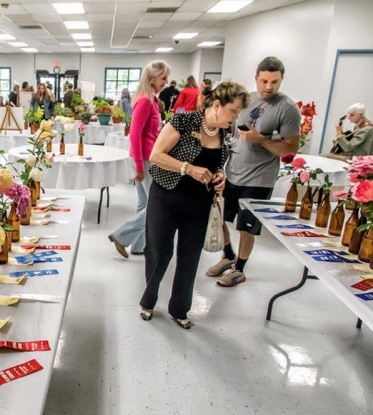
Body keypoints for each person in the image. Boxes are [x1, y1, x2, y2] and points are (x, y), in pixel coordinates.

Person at [140, 81, 251, 328]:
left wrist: (221, 178)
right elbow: (155, 156)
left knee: (189, 258)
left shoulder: (225, 133)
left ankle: (179, 309)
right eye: (232, 111)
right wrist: (188, 169)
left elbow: (218, 164)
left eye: (237, 113)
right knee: (160, 253)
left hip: (199, 203)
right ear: (216, 105)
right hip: (166, 198)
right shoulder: (184, 121)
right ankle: (148, 300)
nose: (234, 117)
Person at [206, 57, 301, 287]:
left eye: (275, 82)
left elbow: (291, 148)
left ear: (281, 81)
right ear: (256, 78)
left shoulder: (287, 108)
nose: (269, 87)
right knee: (220, 219)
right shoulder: (246, 100)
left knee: (246, 228)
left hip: (260, 178)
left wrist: (260, 139)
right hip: (233, 172)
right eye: (265, 81)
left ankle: (239, 269)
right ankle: (228, 257)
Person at [108, 60, 170, 258]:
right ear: (152, 78)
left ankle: (138, 245)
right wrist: (139, 167)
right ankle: (122, 236)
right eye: (163, 78)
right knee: (156, 205)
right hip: (145, 159)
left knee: (145, 204)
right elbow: (135, 135)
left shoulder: (151, 100)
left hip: (147, 157)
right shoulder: (144, 101)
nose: (166, 82)